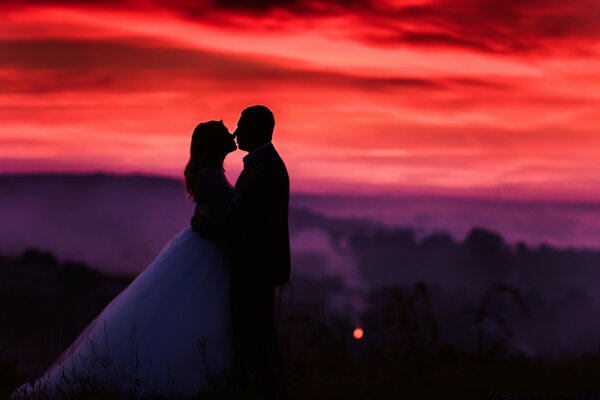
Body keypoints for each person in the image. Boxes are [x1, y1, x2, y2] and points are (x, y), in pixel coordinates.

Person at [11, 120, 238, 399]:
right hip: (207, 251)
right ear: (215, 143)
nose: (233, 134)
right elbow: (225, 215)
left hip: (205, 248)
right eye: (226, 132)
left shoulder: (209, 174)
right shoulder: (210, 176)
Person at [192, 105, 291, 399]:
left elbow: (246, 225)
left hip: (255, 268)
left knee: (255, 336)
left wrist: (207, 228)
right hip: (255, 266)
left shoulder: (265, 169)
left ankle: (265, 390)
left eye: (241, 125)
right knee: (253, 336)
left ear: (258, 129)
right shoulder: (260, 166)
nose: (236, 132)